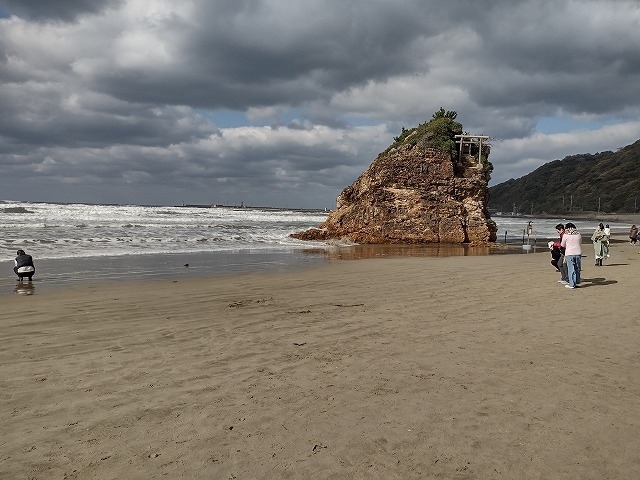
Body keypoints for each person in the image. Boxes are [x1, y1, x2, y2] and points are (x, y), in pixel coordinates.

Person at [561, 222, 582, 289]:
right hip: (578, 252)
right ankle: (576, 281)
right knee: (577, 268)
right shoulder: (578, 234)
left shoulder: (565, 235)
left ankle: (572, 284)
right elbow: (580, 242)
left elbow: (562, 245)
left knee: (571, 269)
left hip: (569, 253)